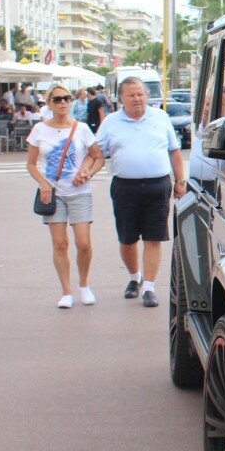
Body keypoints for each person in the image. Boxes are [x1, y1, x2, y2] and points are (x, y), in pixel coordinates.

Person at [93, 77, 184, 308]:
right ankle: (134, 277)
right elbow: (96, 153)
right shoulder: (111, 122)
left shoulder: (160, 117)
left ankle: (149, 288)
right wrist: (84, 172)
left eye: (140, 94)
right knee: (127, 239)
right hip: (125, 188)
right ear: (121, 98)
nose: (137, 99)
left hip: (157, 186)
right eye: (131, 95)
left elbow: (174, 152)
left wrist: (180, 181)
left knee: (154, 237)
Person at [27, 84, 103, 309]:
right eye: (58, 99)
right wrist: (42, 183)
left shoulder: (81, 129)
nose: (63, 103)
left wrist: (87, 172)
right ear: (49, 103)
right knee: (60, 243)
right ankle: (66, 291)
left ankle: (84, 285)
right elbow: (31, 164)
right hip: (53, 193)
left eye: (66, 99)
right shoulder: (40, 131)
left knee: (83, 243)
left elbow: (98, 157)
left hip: (79, 192)